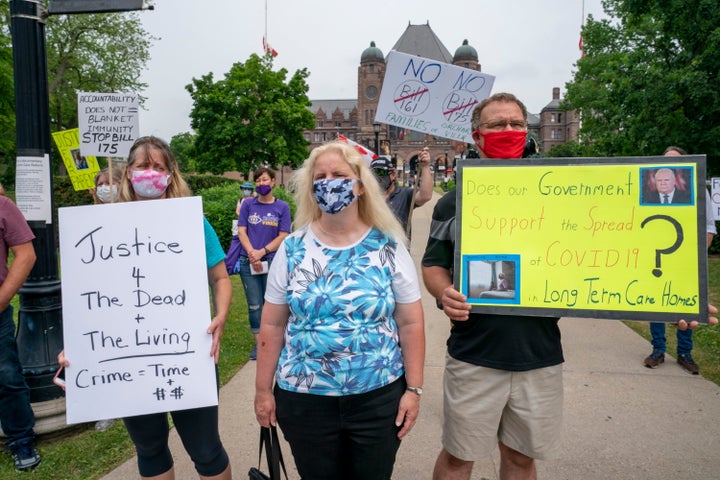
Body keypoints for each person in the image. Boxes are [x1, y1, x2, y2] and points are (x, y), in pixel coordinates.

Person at [421, 93, 717, 480]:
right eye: (497, 125)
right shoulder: (454, 202)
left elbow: (618, 250)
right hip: (474, 351)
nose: (508, 130)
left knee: (522, 459)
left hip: (539, 354)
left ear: (527, 132)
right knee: (459, 457)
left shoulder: (563, 189)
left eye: (516, 123)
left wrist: (677, 299)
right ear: (478, 136)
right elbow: (433, 264)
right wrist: (445, 293)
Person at [59, 136, 233, 480]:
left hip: (185, 355)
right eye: (142, 166)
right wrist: (78, 347)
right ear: (128, 173)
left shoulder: (192, 223)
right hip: (127, 360)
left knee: (205, 448)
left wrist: (222, 315)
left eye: (158, 167)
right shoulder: (101, 228)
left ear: (171, 174)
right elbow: (88, 297)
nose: (150, 173)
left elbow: (221, 278)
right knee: (149, 448)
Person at [254, 140, 425, 480]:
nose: (329, 182)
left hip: (377, 401)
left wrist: (414, 389)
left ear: (360, 184)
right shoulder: (292, 249)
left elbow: (410, 322)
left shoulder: (388, 245)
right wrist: (262, 391)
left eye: (339, 174)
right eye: (320, 176)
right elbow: (272, 325)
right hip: (305, 400)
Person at [644, 146, 715, 374]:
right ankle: (658, 350)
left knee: (685, 306)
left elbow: (709, 230)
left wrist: (692, 259)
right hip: (657, 261)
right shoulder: (649, 196)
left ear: (678, 175)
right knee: (656, 305)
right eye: (663, 166)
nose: (666, 174)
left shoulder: (696, 191)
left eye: (674, 166)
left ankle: (685, 352)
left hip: (685, 263)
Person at [0, 195, 39, 471]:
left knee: (6, 376)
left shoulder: (3, 206)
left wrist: (1, 300)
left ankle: (21, 439)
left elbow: (26, 255)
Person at [236, 167, 291, 361]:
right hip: (247, 261)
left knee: (274, 304)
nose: (261, 184)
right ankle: (260, 345)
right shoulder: (248, 205)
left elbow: (284, 235)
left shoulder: (282, 207)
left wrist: (262, 252)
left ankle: (277, 342)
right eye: (258, 180)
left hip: (273, 261)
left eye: (265, 180)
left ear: (273, 182)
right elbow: (241, 231)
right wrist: (252, 253)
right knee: (254, 305)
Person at [371, 148, 433, 235]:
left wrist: (425, 166)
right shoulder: (366, 197)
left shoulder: (404, 194)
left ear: (393, 175)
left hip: (398, 246)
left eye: (381, 172)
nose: (377, 177)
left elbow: (425, 196)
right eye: (373, 173)